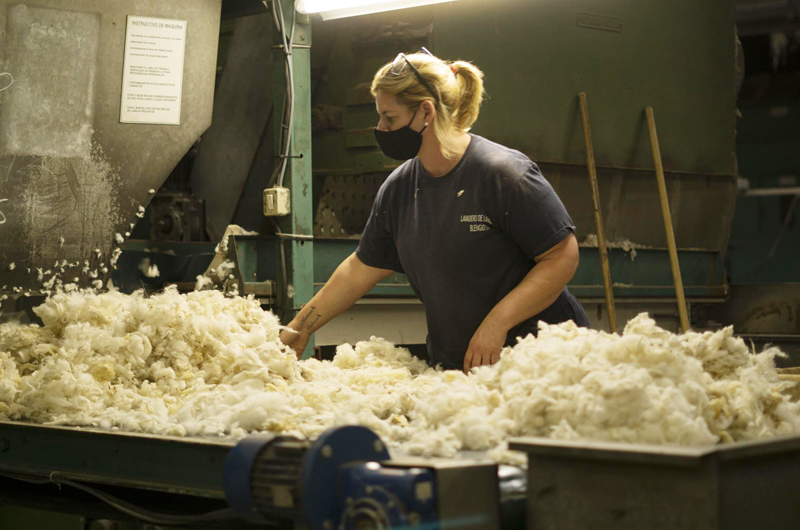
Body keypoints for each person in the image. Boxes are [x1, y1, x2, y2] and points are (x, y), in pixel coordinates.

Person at [280, 49, 589, 372]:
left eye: (390, 118)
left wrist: (496, 324)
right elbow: (359, 269)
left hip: (545, 360)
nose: (381, 129)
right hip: (462, 366)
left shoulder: (503, 174)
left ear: (425, 112)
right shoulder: (399, 189)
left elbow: (561, 256)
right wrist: (300, 327)